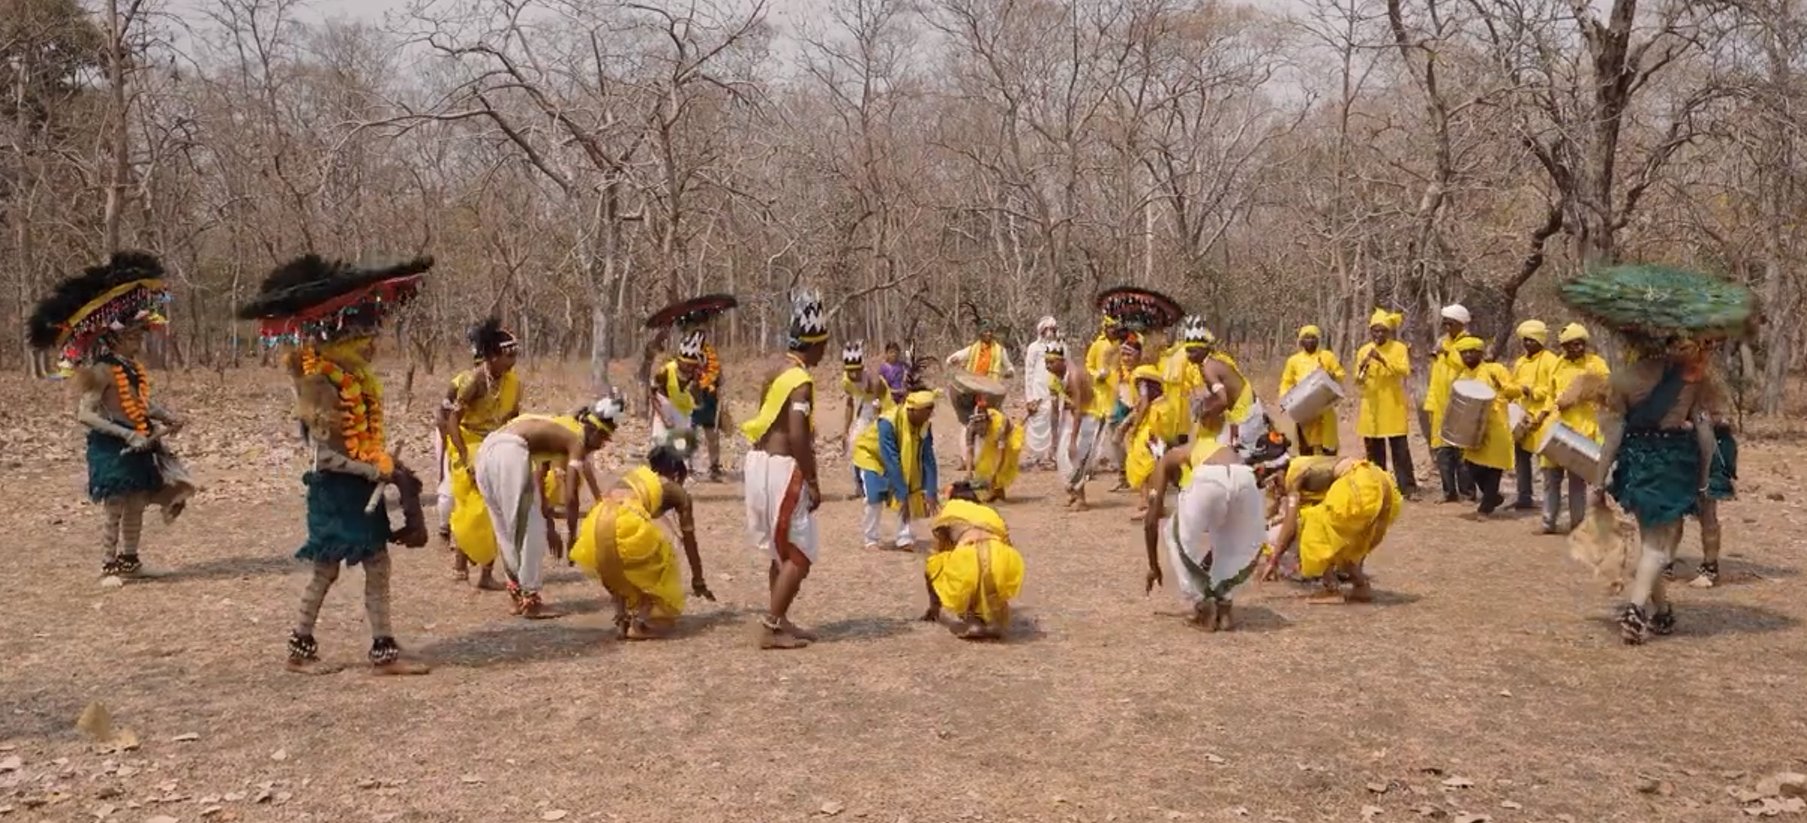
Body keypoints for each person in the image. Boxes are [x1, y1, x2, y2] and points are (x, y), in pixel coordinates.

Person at [236, 253, 434, 675]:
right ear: (346, 336)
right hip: (336, 490)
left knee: (378, 564)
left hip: (362, 485)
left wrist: (384, 464)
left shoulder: (356, 379)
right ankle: (300, 648)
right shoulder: (320, 384)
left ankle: (384, 649)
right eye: (367, 332)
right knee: (326, 570)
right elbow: (324, 455)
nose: (374, 341)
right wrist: (371, 470)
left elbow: (360, 442)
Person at [27, 251, 196, 580]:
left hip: (141, 441)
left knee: (136, 502)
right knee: (115, 505)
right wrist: (125, 433)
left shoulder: (132, 368)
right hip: (111, 446)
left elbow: (139, 402)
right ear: (115, 338)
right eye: (133, 336)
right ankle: (108, 565)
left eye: (139, 335)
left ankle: (130, 561)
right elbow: (84, 414)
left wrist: (167, 417)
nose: (139, 342)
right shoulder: (103, 370)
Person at [1598, 334, 1733, 642]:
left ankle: (1663, 611)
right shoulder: (1692, 379)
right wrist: (1703, 480)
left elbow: (1613, 435)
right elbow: (1704, 433)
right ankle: (1636, 609)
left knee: (1650, 542)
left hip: (1636, 462)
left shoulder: (1623, 379)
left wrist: (1598, 480)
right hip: (1673, 463)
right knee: (1658, 546)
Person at [1142, 398, 1293, 630]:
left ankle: (1203, 606)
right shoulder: (1224, 449)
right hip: (1244, 477)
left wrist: (1154, 565)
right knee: (1228, 541)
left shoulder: (1174, 455)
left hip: (1212, 479)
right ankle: (1224, 607)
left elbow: (1151, 520)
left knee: (1173, 534)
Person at [470, 402, 617, 618]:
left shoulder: (558, 428)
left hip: (486, 452)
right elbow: (571, 496)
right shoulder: (575, 439)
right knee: (529, 529)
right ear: (593, 429)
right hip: (509, 451)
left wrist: (549, 523)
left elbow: (539, 481)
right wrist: (572, 536)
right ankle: (531, 601)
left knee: (506, 528)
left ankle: (517, 597)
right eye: (603, 438)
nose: (602, 446)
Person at [742, 289, 830, 650]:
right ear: (814, 344)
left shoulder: (776, 371)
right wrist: (812, 479)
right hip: (782, 468)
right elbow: (797, 435)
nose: (826, 351)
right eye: (824, 344)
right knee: (800, 553)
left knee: (782, 549)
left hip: (759, 464)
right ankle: (771, 625)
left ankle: (779, 618)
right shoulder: (801, 382)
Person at [568, 441, 716, 640]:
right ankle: (641, 621)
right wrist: (698, 580)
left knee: (613, 567)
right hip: (624, 522)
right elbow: (690, 541)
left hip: (595, 522)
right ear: (677, 470)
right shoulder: (676, 491)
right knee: (664, 559)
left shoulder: (635, 477)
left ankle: (622, 618)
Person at [440, 317, 521, 589]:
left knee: (495, 508)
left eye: (515, 354)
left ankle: (486, 573)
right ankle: (461, 563)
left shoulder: (513, 383)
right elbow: (452, 419)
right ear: (492, 356)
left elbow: (513, 417)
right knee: (474, 508)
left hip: (496, 443)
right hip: (470, 443)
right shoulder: (473, 380)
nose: (513, 360)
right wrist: (464, 457)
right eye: (509, 355)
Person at [1264, 453, 1401, 604]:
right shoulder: (1304, 464)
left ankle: (1331, 589)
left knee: (1312, 529)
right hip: (1379, 482)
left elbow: (1290, 525)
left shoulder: (1294, 476)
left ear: (1278, 473)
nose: (1276, 490)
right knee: (1342, 543)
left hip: (1359, 485)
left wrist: (1273, 559)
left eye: (1274, 483)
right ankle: (1361, 586)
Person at [1528, 323, 1610, 534]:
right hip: (1557, 427)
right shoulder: (1558, 365)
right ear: (1564, 346)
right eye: (1571, 345)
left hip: (1583, 429)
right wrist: (1542, 415)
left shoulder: (1596, 364)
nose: (1577, 348)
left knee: (1576, 481)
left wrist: (1580, 395)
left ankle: (1577, 524)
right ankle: (1548, 523)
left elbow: (1608, 392)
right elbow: (1550, 395)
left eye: (1580, 344)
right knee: (1551, 479)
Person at [919, 496, 1024, 640]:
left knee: (934, 565)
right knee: (991, 583)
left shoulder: (950, 510)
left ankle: (969, 620)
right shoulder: (990, 513)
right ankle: (994, 620)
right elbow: (1007, 542)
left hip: (968, 555)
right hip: (1001, 555)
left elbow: (941, 549)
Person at [853, 390, 941, 550]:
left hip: (897, 458)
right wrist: (902, 494)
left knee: (911, 487)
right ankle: (871, 538)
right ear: (912, 410)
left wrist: (931, 491)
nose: (930, 415)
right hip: (872, 457)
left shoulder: (924, 426)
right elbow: (890, 459)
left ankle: (904, 537)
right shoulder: (888, 422)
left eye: (931, 410)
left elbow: (928, 458)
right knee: (875, 496)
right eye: (926, 411)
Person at [1450, 336, 1520, 515]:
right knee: (1471, 465)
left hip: (1496, 425)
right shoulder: (1463, 376)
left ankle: (1485, 508)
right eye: (1464, 352)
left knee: (1494, 467)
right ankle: (1493, 497)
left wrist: (1501, 386)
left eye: (1471, 352)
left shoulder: (1494, 369)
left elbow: (1515, 391)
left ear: (1480, 353)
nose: (1467, 355)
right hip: (1474, 430)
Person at [1354, 309, 1417, 496]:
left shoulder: (1399, 348)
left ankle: (1408, 488)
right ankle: (1378, 486)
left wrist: (1383, 359)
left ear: (1388, 332)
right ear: (1371, 332)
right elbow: (1358, 380)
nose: (1379, 334)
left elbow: (1404, 371)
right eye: (1375, 331)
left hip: (1392, 404)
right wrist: (1363, 366)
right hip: (1371, 406)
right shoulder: (1364, 350)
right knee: (1374, 450)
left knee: (1399, 448)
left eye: (1383, 331)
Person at [1426, 304, 1478, 502]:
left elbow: (1464, 365)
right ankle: (1449, 492)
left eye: (1451, 324)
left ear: (1461, 324)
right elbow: (1436, 374)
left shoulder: (1469, 343)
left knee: (1461, 449)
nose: (1447, 327)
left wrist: (1446, 352)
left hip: (1460, 401)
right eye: (1445, 323)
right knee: (1443, 450)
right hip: (1440, 403)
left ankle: (1468, 492)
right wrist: (1431, 402)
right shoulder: (1443, 341)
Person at [945, 320, 1015, 466]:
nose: (988, 334)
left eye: (990, 331)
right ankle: (966, 459)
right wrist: (954, 360)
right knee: (968, 424)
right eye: (985, 331)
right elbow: (951, 359)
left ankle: (992, 458)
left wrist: (1009, 372)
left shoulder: (1000, 351)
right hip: (972, 391)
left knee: (994, 423)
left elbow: (1010, 367)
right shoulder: (972, 350)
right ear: (980, 334)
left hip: (991, 392)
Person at [1049, 339, 1106, 510]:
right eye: (1046, 362)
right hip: (1072, 418)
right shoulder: (1055, 378)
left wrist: (1073, 440)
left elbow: (1079, 409)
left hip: (1088, 418)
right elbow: (1057, 408)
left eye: (1051, 362)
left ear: (1062, 361)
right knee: (1061, 456)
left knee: (1076, 456)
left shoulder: (1074, 376)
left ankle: (1082, 499)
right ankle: (1073, 493)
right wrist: (1054, 437)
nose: (1048, 366)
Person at [1509, 320, 1559, 510]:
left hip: (1542, 417)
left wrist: (1532, 392)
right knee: (1521, 459)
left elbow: (1553, 390)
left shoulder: (1551, 360)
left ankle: (1549, 501)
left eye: (1531, 340)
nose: (1527, 344)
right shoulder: (1520, 362)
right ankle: (1524, 497)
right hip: (1523, 417)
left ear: (1540, 340)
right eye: (1525, 340)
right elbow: (1514, 385)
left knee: (1545, 462)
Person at [1279, 325, 1347, 456]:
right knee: (1306, 447)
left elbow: (1340, 374)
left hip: (1324, 408)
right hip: (1304, 409)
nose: (1310, 341)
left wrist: (1332, 375)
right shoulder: (1294, 361)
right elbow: (1286, 382)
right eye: (1306, 337)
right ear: (1301, 341)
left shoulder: (1327, 356)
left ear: (1318, 340)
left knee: (1328, 447)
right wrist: (1285, 401)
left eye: (1313, 337)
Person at [1121, 365, 1178, 520]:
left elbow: (1144, 403)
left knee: (1146, 464)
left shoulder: (1141, 380)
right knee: (1155, 462)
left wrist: (1134, 428)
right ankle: (1155, 505)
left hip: (1154, 423)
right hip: (1161, 419)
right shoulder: (1151, 381)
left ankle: (1150, 505)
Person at [839, 341, 890, 497]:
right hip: (865, 407)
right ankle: (859, 486)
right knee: (855, 444)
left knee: (882, 445)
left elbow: (877, 403)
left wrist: (878, 425)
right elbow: (849, 405)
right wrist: (845, 431)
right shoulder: (846, 381)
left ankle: (886, 484)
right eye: (850, 371)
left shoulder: (872, 379)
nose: (853, 374)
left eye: (856, 370)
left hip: (884, 404)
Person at [684, 322, 728, 482]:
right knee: (690, 433)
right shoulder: (686, 352)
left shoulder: (711, 353)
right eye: (698, 334)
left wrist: (720, 386)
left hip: (710, 397)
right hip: (693, 396)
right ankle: (687, 468)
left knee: (712, 435)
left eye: (704, 334)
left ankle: (714, 467)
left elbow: (718, 374)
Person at [649, 329, 704, 441]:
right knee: (660, 448)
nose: (690, 368)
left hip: (684, 414)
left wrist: (696, 383)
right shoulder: (666, 371)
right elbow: (652, 394)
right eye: (687, 365)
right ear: (679, 361)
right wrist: (664, 417)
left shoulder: (695, 374)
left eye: (693, 365)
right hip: (665, 410)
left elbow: (698, 401)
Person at [1022, 316, 1063, 468]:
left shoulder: (1060, 346)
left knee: (1056, 422)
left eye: (1053, 329)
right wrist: (1029, 397)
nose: (1050, 332)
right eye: (1047, 329)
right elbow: (1029, 372)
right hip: (1037, 390)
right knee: (1037, 421)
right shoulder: (1034, 348)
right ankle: (1035, 455)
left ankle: (1051, 455)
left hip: (1055, 390)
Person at [965, 401, 1022, 502]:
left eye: (982, 425)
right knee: (984, 466)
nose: (980, 429)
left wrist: (993, 475)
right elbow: (969, 450)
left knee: (1001, 468)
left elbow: (1001, 455)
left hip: (1007, 439)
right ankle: (994, 492)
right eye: (977, 427)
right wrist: (968, 472)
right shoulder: (971, 427)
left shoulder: (1000, 426)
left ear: (988, 421)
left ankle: (997, 492)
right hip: (991, 441)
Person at [878, 341, 909, 406]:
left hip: (904, 398)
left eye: (896, 351)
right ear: (886, 353)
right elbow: (882, 388)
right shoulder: (883, 368)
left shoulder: (903, 366)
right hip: (889, 399)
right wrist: (896, 391)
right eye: (891, 352)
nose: (894, 354)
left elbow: (910, 379)